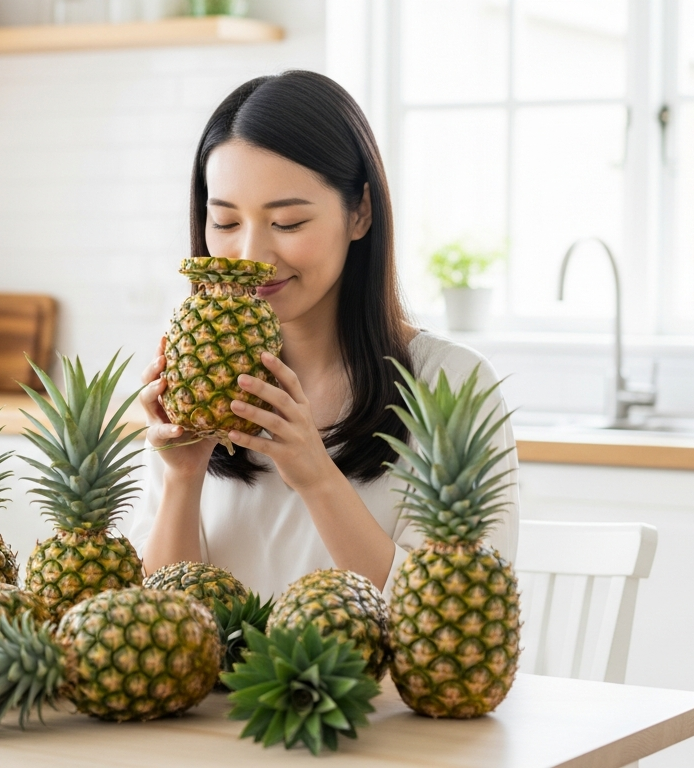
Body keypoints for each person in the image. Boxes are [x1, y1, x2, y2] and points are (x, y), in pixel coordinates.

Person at [126, 70, 519, 599]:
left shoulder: (451, 385)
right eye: (224, 223)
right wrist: (183, 477)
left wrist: (316, 478)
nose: (250, 257)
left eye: (287, 223)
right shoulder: (195, 375)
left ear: (360, 212)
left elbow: (454, 625)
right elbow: (158, 635)